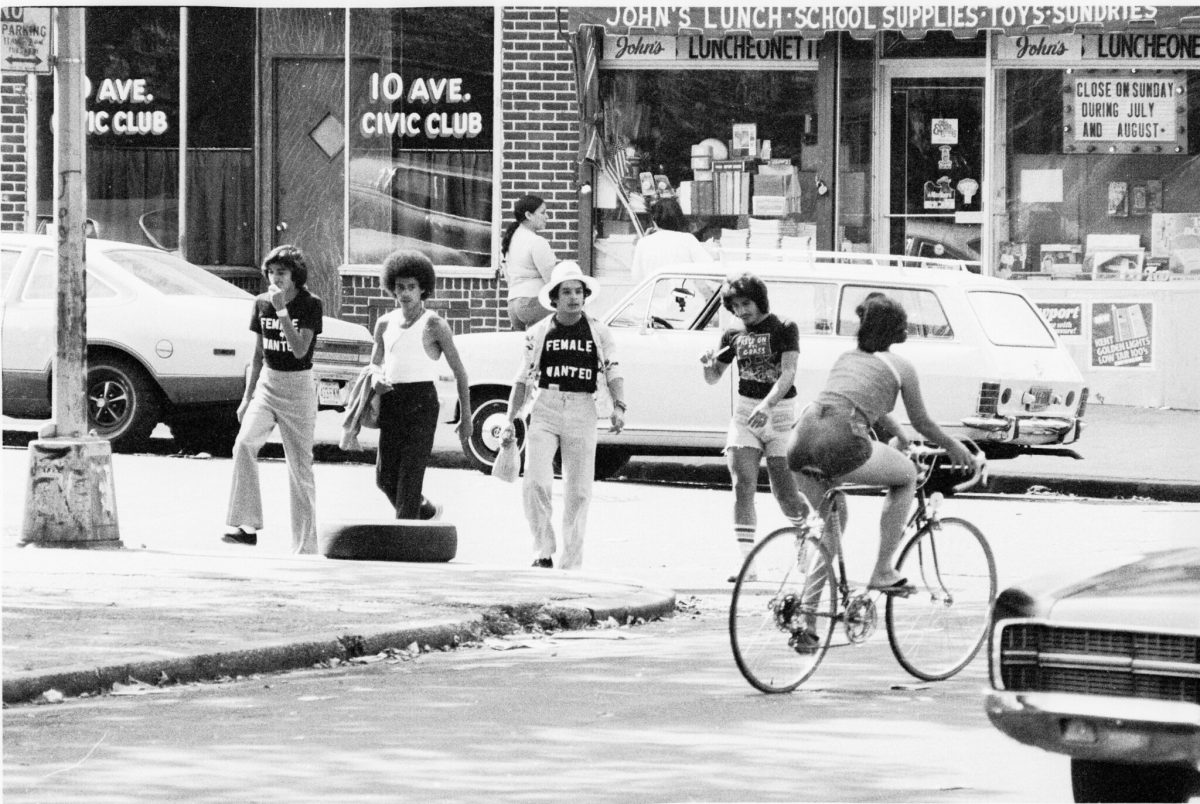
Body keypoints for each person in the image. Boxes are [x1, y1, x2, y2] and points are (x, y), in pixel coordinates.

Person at [787, 293, 975, 594]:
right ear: (898, 332)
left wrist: (900, 438)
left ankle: (807, 618)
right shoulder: (902, 366)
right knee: (907, 477)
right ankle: (883, 570)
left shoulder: (847, 358)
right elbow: (923, 422)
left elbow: (867, 404)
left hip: (801, 437)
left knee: (832, 528)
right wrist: (954, 446)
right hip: (841, 438)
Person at [501, 261, 626, 570]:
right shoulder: (538, 332)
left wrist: (620, 407)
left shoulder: (598, 331)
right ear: (554, 298)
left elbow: (613, 370)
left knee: (580, 489)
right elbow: (523, 376)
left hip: (583, 407)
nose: (573, 297)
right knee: (536, 482)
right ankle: (542, 550)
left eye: (578, 291)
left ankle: (571, 561)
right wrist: (510, 417)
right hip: (546, 405)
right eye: (566, 292)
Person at [700, 272, 808, 580]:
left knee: (785, 492)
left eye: (746, 303)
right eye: (735, 306)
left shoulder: (784, 327)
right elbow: (713, 377)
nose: (741, 311)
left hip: (781, 415)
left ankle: (805, 535)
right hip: (746, 414)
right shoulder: (732, 333)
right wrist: (708, 365)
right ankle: (748, 563)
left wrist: (768, 404)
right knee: (742, 484)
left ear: (758, 299)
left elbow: (788, 373)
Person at [223, 245, 323, 554]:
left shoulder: (310, 304)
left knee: (299, 466)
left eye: (282, 273)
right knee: (244, 443)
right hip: (268, 382)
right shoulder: (260, 303)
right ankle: (246, 525)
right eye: (271, 272)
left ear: (295, 276)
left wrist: (282, 311)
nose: (275, 278)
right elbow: (257, 353)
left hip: (298, 386)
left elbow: (299, 350)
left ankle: (305, 546)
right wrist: (246, 397)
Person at [371, 250, 472, 520]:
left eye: (411, 287)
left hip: (421, 402)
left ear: (423, 288)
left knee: (409, 477)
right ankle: (426, 511)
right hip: (391, 400)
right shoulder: (384, 323)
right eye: (400, 287)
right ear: (391, 287)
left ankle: (404, 541)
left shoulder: (435, 325)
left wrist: (467, 418)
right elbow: (375, 364)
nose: (405, 293)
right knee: (384, 478)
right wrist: (376, 378)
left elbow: (460, 372)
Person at [501, 194, 556, 331]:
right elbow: (552, 281)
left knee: (525, 350)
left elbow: (507, 276)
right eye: (543, 212)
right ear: (528, 215)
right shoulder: (537, 242)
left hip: (513, 304)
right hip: (534, 302)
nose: (547, 217)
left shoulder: (510, 240)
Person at [629, 197, 712, 284]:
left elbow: (636, 277)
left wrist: (644, 241)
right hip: (681, 294)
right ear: (679, 218)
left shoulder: (643, 242)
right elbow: (710, 268)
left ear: (654, 219)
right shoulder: (688, 239)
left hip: (652, 295)